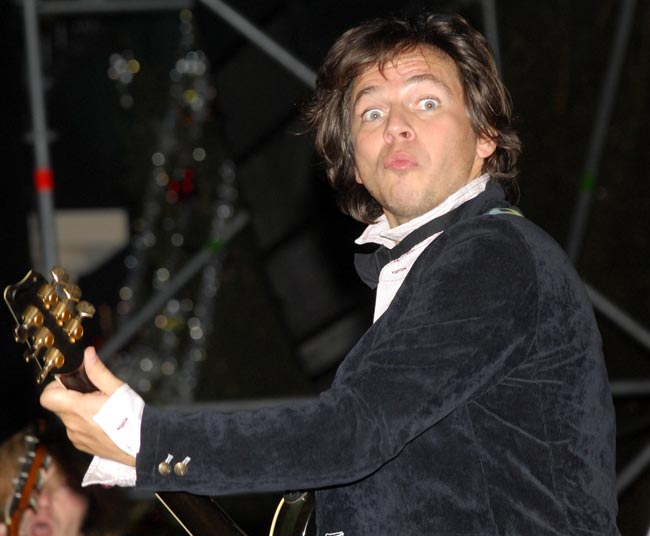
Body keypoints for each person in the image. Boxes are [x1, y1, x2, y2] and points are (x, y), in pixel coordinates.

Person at [40, 12, 619, 535]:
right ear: (356, 164)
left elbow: (352, 433)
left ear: (485, 136)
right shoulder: (424, 282)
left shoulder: (496, 253)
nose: (396, 126)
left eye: (426, 102)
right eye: (372, 112)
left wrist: (148, 441)